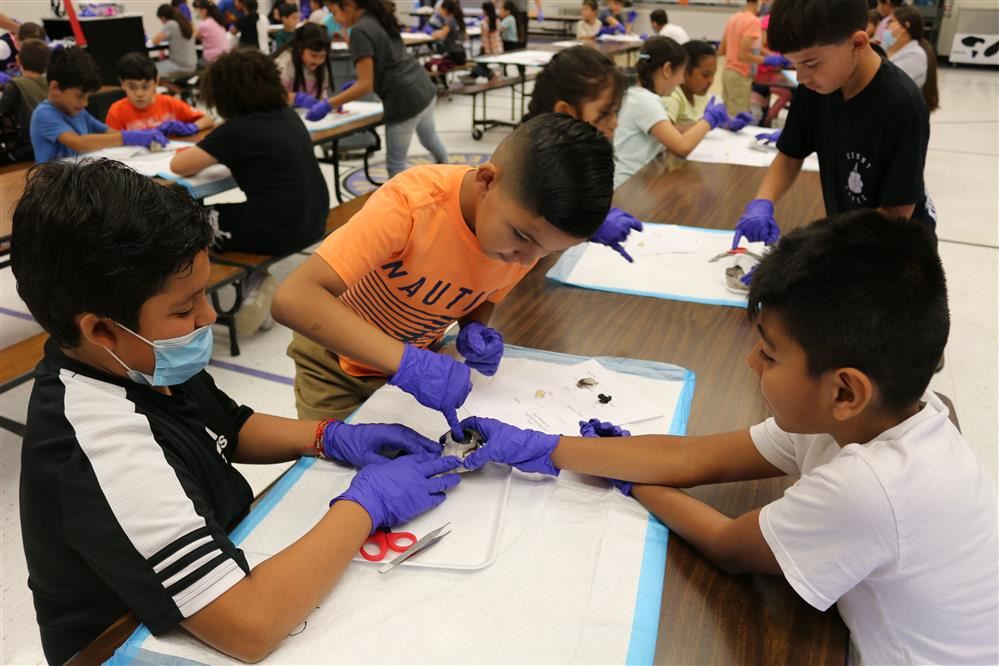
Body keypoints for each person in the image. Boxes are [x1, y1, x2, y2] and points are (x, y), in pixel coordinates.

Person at [451, 209, 999, 666]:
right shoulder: (873, 417)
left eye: (770, 352)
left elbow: (727, 545)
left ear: (845, 391)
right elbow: (694, 455)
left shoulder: (872, 487)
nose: (750, 360)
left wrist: (629, 481)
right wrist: (544, 447)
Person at [12, 158, 462, 666]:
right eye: (184, 309)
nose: (207, 318)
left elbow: (230, 426)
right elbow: (251, 626)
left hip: (214, 566)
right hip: (128, 643)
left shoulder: (139, 362)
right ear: (100, 331)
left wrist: (329, 437)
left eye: (203, 295)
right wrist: (366, 505)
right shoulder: (97, 447)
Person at [272, 114, 614, 428]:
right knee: (333, 468)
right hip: (333, 364)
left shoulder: (518, 241)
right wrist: (408, 363)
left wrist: (475, 327)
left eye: (547, 252)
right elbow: (294, 299)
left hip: (408, 365)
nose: (526, 261)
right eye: (522, 238)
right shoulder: (412, 206)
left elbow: (484, 291)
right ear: (486, 181)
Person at [731, 0, 936, 259]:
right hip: (848, 236)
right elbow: (790, 155)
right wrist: (762, 201)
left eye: (812, 63)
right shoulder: (816, 87)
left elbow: (894, 217)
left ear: (858, 44)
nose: (802, 78)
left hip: (894, 253)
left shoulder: (902, 105)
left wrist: (811, 248)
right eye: (795, 65)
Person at [169, 48, 329, 255]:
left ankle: (251, 281)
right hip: (315, 219)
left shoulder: (238, 129)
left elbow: (179, 165)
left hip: (280, 231)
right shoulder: (288, 115)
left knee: (185, 224)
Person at [522, 47, 642, 262]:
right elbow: (524, 227)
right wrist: (586, 229)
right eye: (604, 114)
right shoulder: (527, 159)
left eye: (616, 112)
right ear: (565, 112)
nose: (615, 123)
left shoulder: (574, 152)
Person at [311, 0, 449, 178]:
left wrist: (328, 104)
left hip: (404, 99)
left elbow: (365, 85)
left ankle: (403, 205)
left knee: (395, 166)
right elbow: (385, 61)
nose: (335, 20)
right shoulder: (377, 17)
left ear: (349, 5)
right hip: (423, 87)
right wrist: (357, 82)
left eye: (334, 12)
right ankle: (451, 177)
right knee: (430, 139)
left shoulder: (360, 30)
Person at [613, 36, 729, 188]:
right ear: (667, 70)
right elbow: (682, 147)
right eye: (681, 73)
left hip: (638, 182)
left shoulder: (639, 95)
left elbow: (670, 132)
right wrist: (709, 120)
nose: (682, 80)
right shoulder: (645, 101)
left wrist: (716, 122)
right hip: (627, 188)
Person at [30, 47, 167, 163]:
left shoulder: (78, 112)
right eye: (79, 96)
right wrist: (130, 137)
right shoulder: (44, 114)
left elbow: (109, 132)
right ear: (55, 88)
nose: (85, 103)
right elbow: (79, 143)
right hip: (54, 187)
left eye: (87, 96)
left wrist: (142, 134)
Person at [105, 53, 213, 134]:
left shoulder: (169, 103)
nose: (139, 93)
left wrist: (193, 127)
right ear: (122, 83)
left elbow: (208, 120)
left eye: (145, 86)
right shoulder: (116, 112)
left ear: (156, 81)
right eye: (132, 87)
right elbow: (109, 142)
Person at [0, 39, 48, 161]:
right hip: (52, 140)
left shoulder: (15, 84)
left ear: (18, 60)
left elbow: (1, 109)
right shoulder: (51, 82)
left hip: (30, 146)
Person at [884, 6, 938, 112]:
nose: (886, 26)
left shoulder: (915, 55)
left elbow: (886, 84)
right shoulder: (888, 48)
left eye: (891, 21)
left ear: (905, 26)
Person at [718, 0, 764, 114]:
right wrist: (766, 60)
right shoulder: (753, 21)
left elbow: (721, 50)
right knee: (738, 118)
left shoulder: (734, 18)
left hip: (727, 73)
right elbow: (742, 55)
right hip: (740, 74)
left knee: (726, 115)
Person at [275, 23, 332, 107]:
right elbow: (272, 96)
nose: (317, 61)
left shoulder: (320, 67)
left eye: (322, 56)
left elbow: (322, 93)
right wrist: (295, 98)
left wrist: (330, 104)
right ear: (300, 48)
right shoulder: (284, 64)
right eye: (313, 55)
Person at [664, 40, 717, 126]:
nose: (711, 81)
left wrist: (725, 123)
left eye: (713, 75)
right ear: (685, 72)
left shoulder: (700, 94)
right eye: (705, 75)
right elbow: (665, 131)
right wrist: (705, 125)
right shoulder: (672, 96)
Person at [149, 4, 199, 76]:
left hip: (179, 66)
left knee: (151, 69)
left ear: (163, 18)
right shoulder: (184, 21)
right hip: (192, 64)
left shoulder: (171, 24)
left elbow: (154, 41)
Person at [467, 1, 502, 81]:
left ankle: (490, 75)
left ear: (485, 11)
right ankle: (472, 77)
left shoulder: (484, 23)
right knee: (478, 63)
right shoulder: (498, 21)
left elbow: (485, 40)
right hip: (498, 49)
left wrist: (484, 51)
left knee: (474, 62)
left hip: (489, 51)